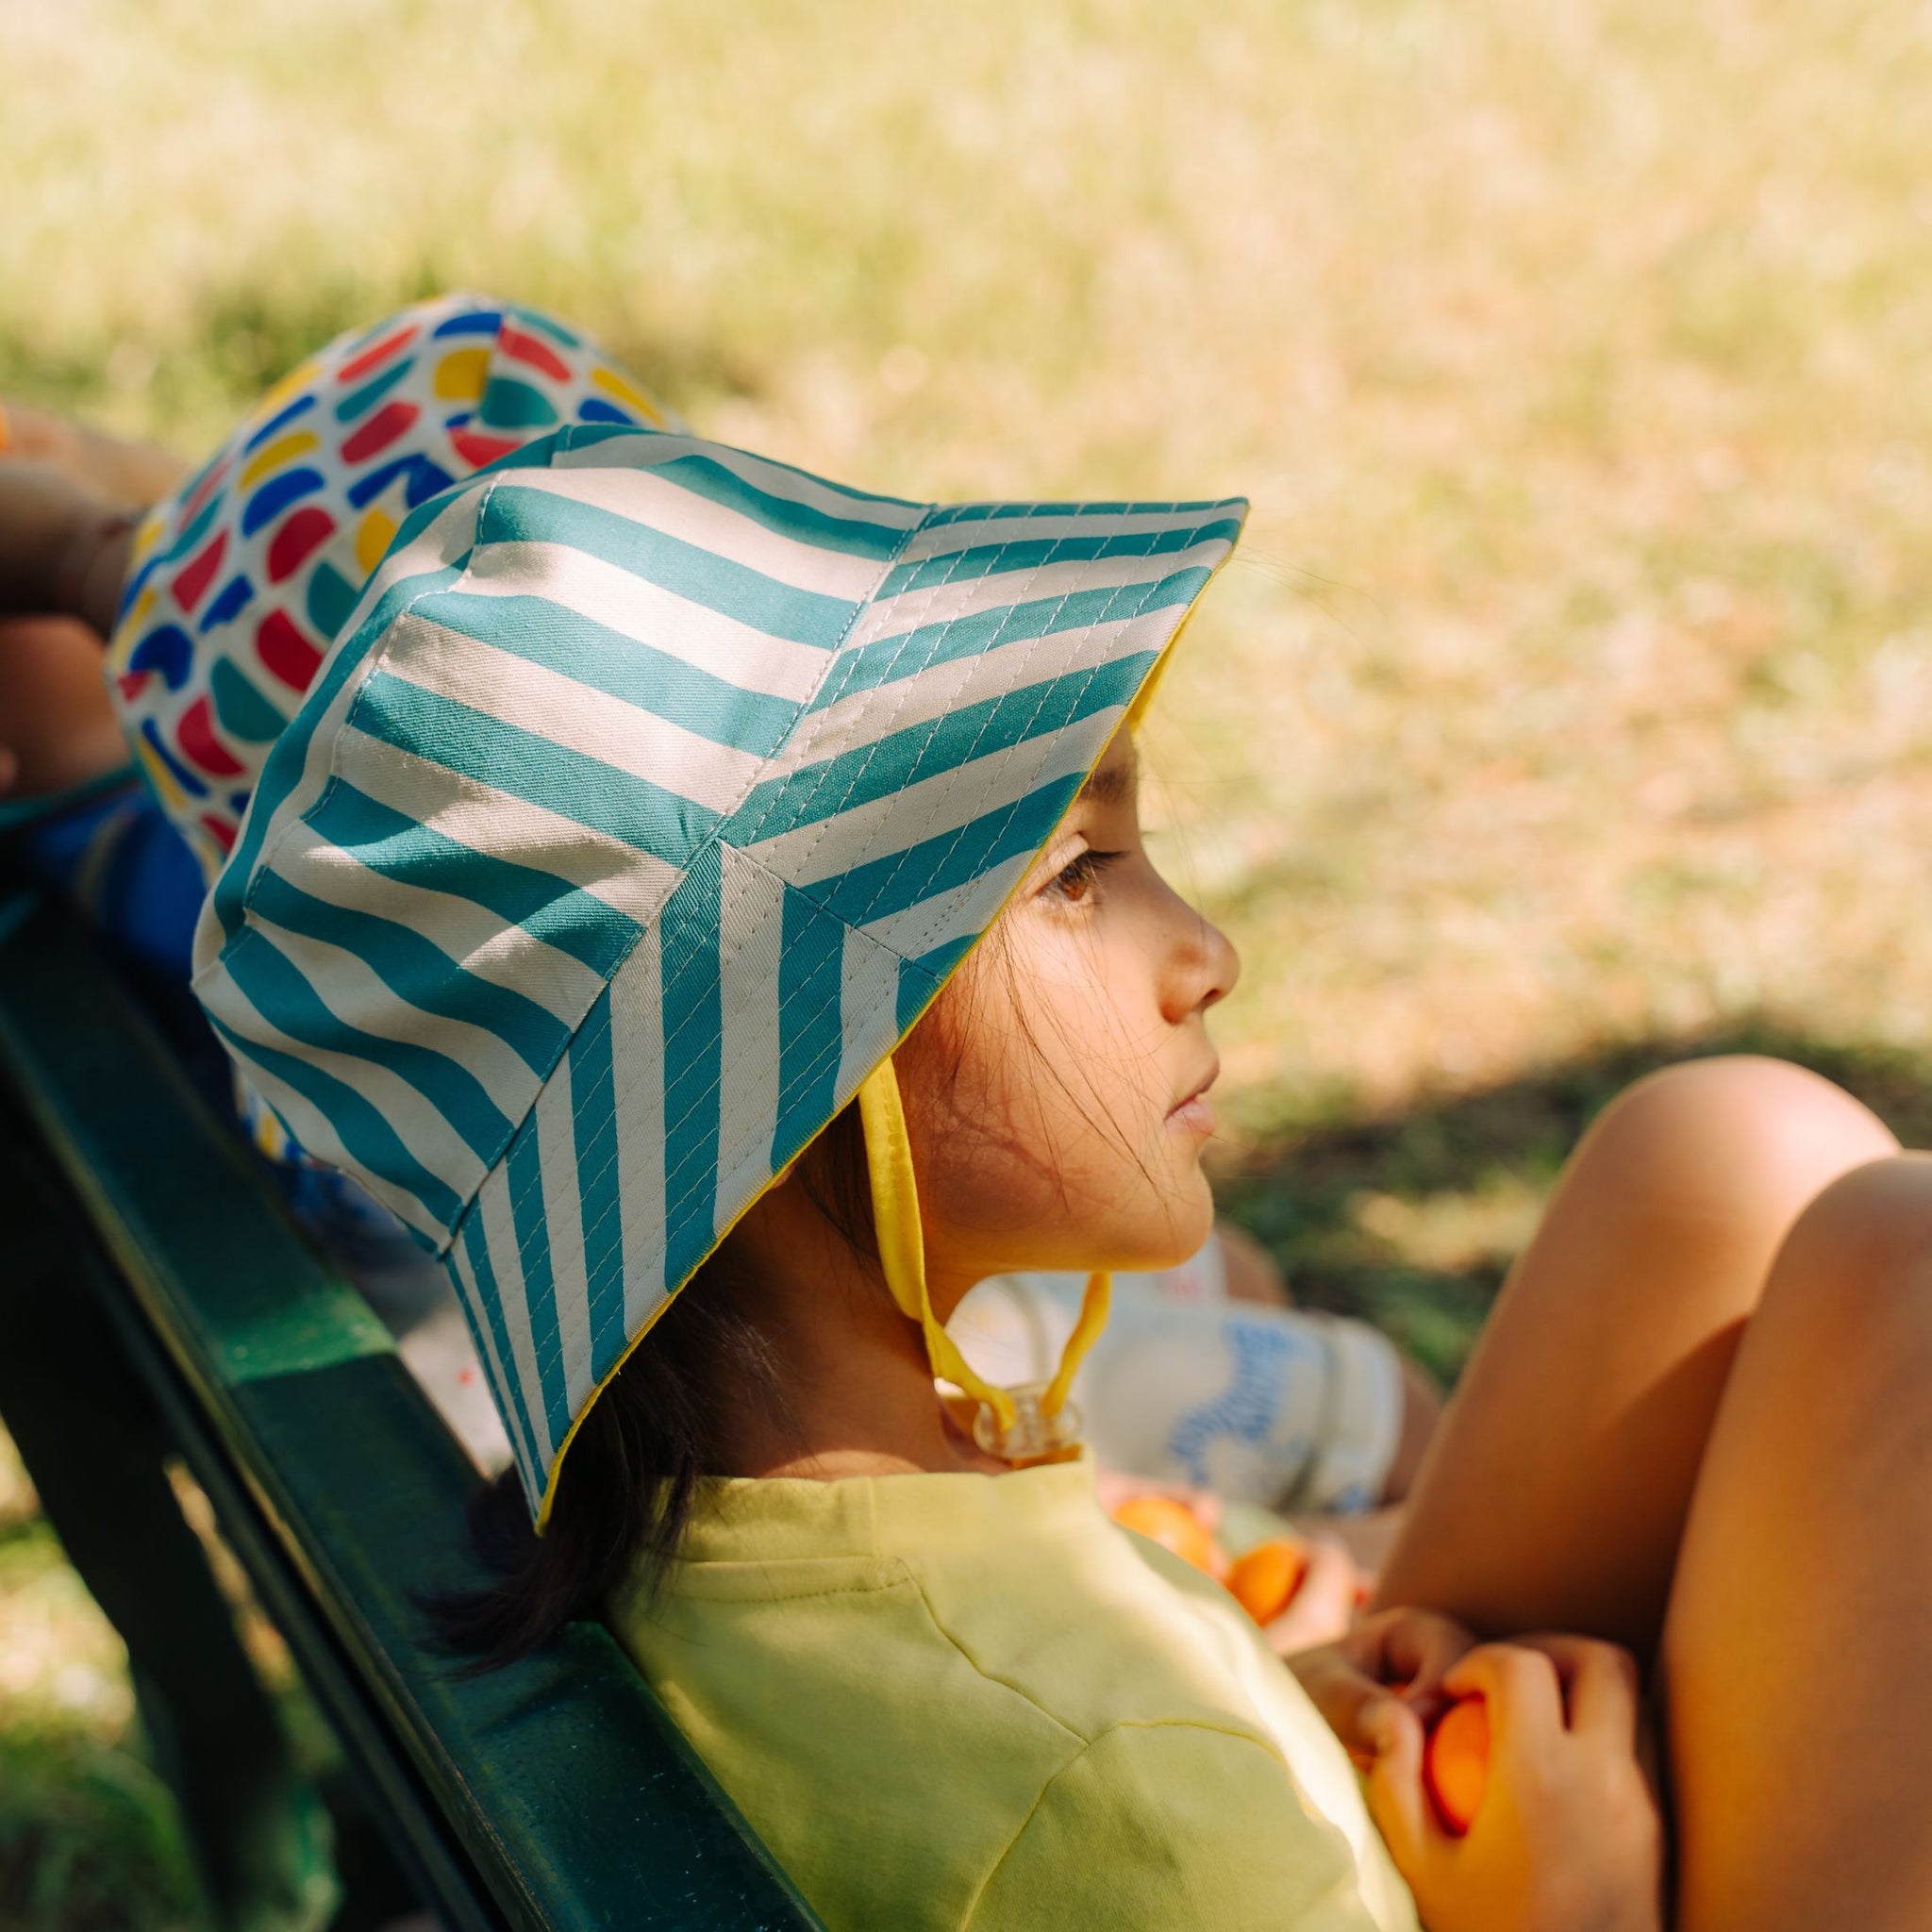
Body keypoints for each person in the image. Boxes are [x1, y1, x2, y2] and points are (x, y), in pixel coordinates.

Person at [11, 308, 1932, 1929]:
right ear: (771, 1079)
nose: (1208, 952)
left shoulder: (760, 1534)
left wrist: (1270, 1698)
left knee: (1773, 1178)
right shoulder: (1139, 1795)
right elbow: (1117, 1810)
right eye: (1078, 871)